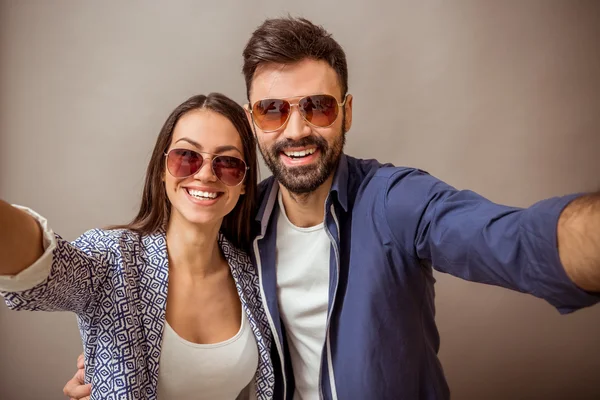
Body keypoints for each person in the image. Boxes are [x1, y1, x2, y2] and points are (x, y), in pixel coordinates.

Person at [67, 17, 600, 400]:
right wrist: (109, 371)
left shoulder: (394, 202)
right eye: (273, 110)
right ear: (253, 122)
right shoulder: (238, 218)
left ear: (345, 113)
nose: (296, 129)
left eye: (317, 107)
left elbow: (510, 238)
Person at [0, 93, 275, 399]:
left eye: (228, 163)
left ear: (244, 184)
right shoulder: (113, 259)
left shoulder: (253, 276)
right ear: (162, 169)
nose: (206, 174)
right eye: (186, 157)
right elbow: (42, 266)